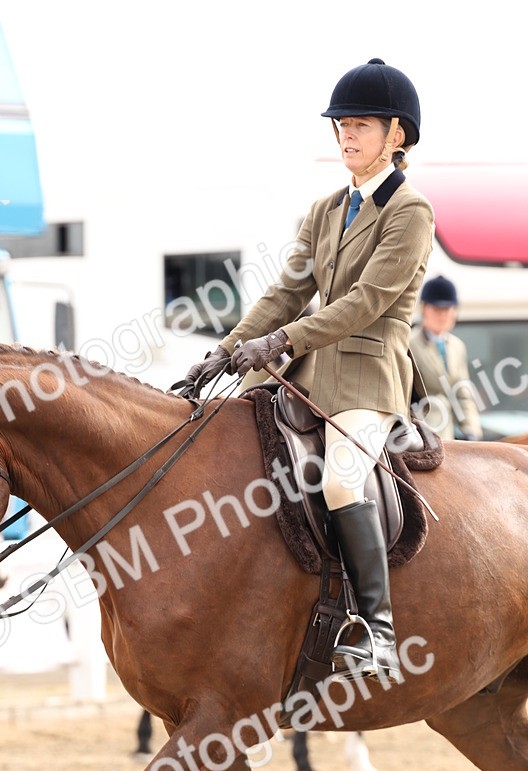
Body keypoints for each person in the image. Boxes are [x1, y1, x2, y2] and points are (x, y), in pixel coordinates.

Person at [182, 58, 434, 682]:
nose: (347, 135)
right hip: (305, 374)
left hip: (368, 378)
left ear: (396, 134)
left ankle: (377, 631)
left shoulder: (410, 212)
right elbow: (285, 293)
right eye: (341, 125)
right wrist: (228, 347)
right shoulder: (325, 209)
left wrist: (281, 342)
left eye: (362, 125)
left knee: (344, 482)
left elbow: (366, 302)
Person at [409, 275, 483, 441]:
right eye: (437, 309)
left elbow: (463, 392)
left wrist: (472, 430)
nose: (443, 315)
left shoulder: (457, 346)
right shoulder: (410, 344)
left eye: (448, 310)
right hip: (422, 433)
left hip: (451, 434)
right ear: (424, 309)